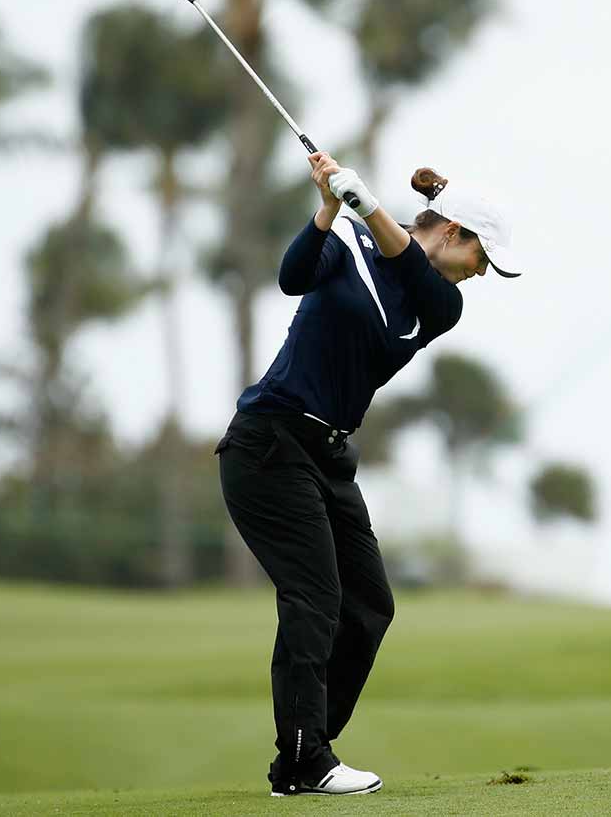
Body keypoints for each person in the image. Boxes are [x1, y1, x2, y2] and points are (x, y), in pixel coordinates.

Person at [215, 153, 521, 797]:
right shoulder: (350, 240)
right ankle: (305, 758)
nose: (478, 276)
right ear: (454, 232)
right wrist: (330, 207)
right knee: (315, 597)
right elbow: (294, 276)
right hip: (269, 444)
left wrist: (368, 205)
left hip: (327, 458)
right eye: (480, 260)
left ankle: (303, 751)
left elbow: (410, 264)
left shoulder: (437, 304)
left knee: (369, 604)